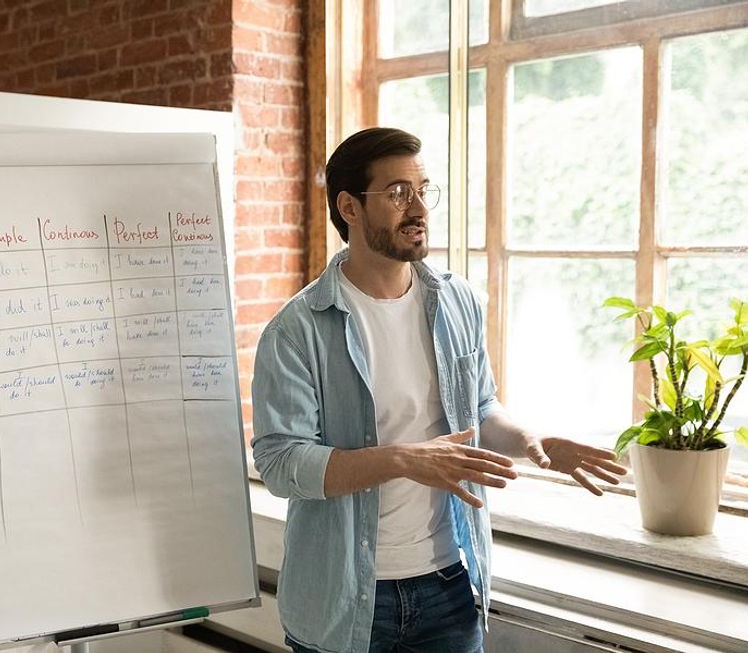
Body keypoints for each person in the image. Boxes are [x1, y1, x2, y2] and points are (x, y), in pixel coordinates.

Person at [250, 127, 628, 653]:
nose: (419, 208)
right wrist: (402, 460)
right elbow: (281, 463)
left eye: (424, 189)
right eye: (398, 192)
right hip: (343, 599)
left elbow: (478, 407)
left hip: (449, 585)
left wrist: (531, 442)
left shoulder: (459, 303)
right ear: (350, 208)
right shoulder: (298, 330)